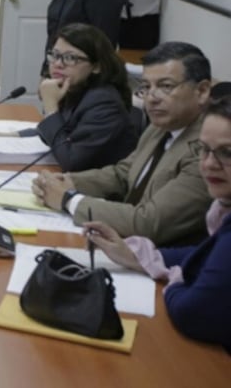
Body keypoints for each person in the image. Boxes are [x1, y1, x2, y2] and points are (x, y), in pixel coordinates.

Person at [84, 95, 231, 354]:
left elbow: (192, 312)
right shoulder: (223, 208)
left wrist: (177, 278)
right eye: (204, 150)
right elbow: (204, 254)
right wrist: (137, 255)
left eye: (226, 153)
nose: (209, 164)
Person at [32, 41, 213, 246]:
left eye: (165, 86)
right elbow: (124, 174)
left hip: (164, 263)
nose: (152, 98)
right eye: (146, 87)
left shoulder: (210, 151)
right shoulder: (161, 126)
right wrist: (69, 181)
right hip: (124, 245)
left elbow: (149, 223)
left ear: (202, 91)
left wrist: (68, 200)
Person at [18, 23, 138, 171]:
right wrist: (11, 135)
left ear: (96, 66)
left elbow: (70, 160)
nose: (57, 64)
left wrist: (50, 107)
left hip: (97, 190)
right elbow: (57, 131)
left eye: (70, 58)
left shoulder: (105, 103)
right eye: (54, 55)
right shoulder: (76, 88)